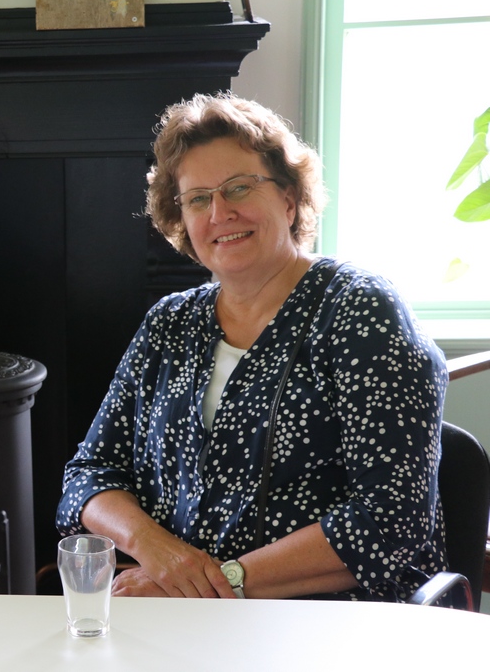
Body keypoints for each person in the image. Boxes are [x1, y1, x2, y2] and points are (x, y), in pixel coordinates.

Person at [56, 92, 449, 603]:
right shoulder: (169, 323)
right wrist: (158, 553)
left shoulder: (360, 310)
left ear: (289, 198)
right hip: (177, 609)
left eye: (239, 187)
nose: (220, 212)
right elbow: (88, 476)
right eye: (198, 199)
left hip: (332, 621)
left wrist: (213, 586)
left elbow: (393, 517)